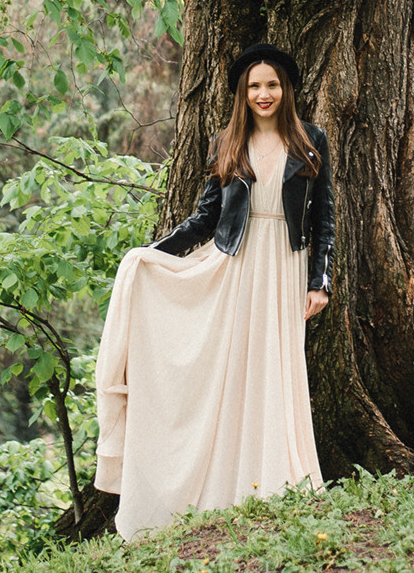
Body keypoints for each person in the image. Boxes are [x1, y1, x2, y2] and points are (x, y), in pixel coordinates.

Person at [93, 41, 335, 539]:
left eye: (271, 85)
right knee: (226, 372)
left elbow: (324, 218)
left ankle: (275, 481)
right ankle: (222, 482)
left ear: (286, 89)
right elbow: (206, 218)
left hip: (284, 266)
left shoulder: (312, 140)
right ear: (242, 93)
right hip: (234, 266)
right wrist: (152, 255)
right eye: (254, 86)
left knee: (275, 369)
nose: (263, 94)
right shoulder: (226, 142)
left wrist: (320, 280)